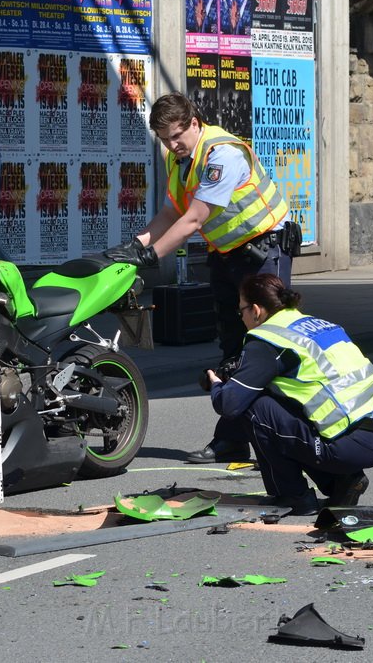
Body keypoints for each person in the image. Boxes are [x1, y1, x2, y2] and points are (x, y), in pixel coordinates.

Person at [104, 91, 296, 464]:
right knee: (231, 349)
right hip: (228, 256)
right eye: (164, 139)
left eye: (177, 135)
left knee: (267, 348)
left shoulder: (221, 154)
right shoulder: (180, 160)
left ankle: (286, 439)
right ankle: (232, 441)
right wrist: (131, 248)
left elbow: (193, 219)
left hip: (264, 252)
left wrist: (150, 257)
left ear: (194, 122)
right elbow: (169, 215)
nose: (172, 145)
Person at [203, 274, 373, 516]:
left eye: (241, 312)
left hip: (346, 447)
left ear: (256, 311)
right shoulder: (316, 325)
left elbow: (229, 405)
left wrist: (217, 384)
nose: (241, 318)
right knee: (284, 405)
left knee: (253, 408)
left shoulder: (267, 339)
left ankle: (293, 496)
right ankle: (342, 482)